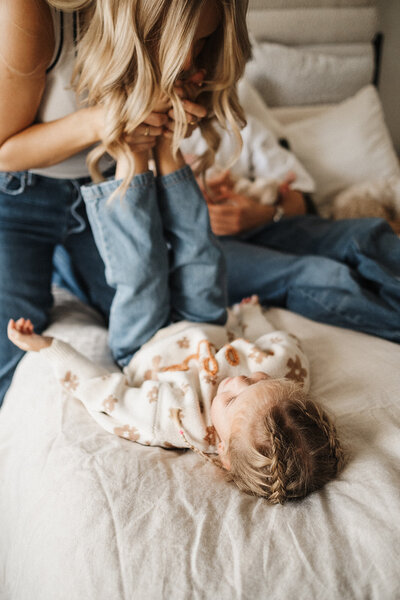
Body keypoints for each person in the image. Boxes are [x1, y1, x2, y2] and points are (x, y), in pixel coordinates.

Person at [0, 0, 251, 406]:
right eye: (179, 38)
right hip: (15, 192)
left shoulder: (186, 51)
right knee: (8, 357)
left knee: (149, 320)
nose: (188, 57)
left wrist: (163, 128)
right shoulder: (30, 12)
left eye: (201, 39)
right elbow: (3, 150)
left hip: (102, 185)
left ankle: (69, 268)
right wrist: (106, 120)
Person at [181, 113, 400, 343]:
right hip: (203, 247)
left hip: (268, 223)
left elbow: (300, 201)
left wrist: (262, 214)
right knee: (323, 275)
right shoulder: (146, 138)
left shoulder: (239, 125)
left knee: (366, 235)